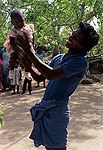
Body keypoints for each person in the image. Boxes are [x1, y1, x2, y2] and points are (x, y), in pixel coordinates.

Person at [17, 22, 99, 150]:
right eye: (73, 34)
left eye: (76, 38)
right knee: (49, 147)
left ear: (83, 47)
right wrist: (28, 66)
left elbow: (50, 74)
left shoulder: (80, 62)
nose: (71, 37)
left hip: (57, 112)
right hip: (47, 108)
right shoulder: (60, 58)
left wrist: (29, 52)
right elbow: (40, 77)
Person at [3, 9, 35, 79]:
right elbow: (12, 42)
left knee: (29, 60)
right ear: (12, 23)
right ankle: (11, 70)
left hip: (27, 47)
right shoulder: (13, 31)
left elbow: (33, 36)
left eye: (21, 21)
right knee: (13, 57)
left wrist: (33, 44)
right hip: (17, 47)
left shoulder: (29, 27)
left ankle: (27, 72)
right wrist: (17, 49)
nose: (19, 23)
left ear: (25, 19)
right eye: (16, 22)